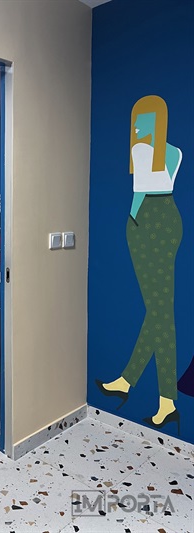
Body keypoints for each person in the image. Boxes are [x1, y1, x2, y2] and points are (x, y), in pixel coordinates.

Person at [96, 95, 183, 434]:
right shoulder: (175, 153)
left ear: (154, 120)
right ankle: (151, 393)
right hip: (170, 219)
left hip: (145, 221)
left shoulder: (143, 151)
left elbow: (139, 195)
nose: (135, 127)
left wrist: (132, 223)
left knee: (159, 311)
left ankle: (156, 395)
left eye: (140, 119)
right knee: (160, 310)